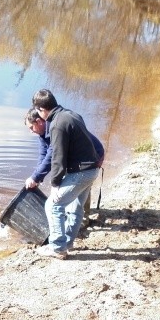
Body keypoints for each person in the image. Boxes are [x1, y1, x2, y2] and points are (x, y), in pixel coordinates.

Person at [29, 88, 102, 259]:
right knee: (76, 208)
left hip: (81, 173)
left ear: (41, 109)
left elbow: (58, 157)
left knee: (53, 205)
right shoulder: (71, 115)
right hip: (92, 169)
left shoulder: (57, 125)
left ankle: (57, 248)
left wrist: (55, 184)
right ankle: (66, 243)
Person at [23, 107, 104, 221]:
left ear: (39, 121)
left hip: (93, 154)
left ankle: (83, 216)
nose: (31, 131)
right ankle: (74, 212)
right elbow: (43, 155)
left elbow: (52, 156)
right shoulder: (42, 132)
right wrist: (37, 178)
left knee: (81, 183)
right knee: (69, 180)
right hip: (73, 156)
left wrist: (35, 177)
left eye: (31, 127)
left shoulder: (55, 128)